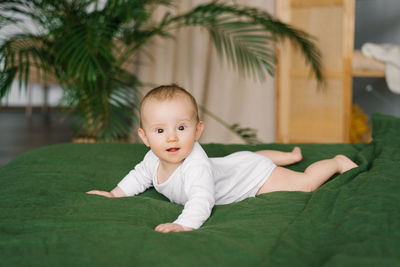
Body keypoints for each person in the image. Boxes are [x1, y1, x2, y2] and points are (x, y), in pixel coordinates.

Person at [86, 84, 358, 233]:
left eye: (181, 128)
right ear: (145, 137)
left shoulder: (196, 166)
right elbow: (138, 176)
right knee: (250, 158)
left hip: (252, 178)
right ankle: (287, 155)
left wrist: (184, 224)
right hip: (236, 164)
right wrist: (114, 194)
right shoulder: (151, 160)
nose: (172, 138)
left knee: (305, 182)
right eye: (160, 130)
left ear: (198, 130)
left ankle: (336, 161)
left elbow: (202, 200)